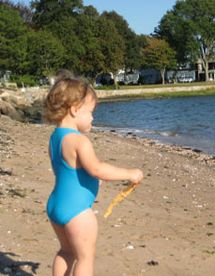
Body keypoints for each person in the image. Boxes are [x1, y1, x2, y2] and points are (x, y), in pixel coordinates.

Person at [43, 76, 143, 276]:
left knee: (66, 252)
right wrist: (129, 173)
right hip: (77, 211)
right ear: (74, 109)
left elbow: (71, 171)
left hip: (56, 205)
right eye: (90, 112)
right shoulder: (79, 141)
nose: (93, 118)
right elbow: (97, 169)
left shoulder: (56, 137)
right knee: (85, 258)